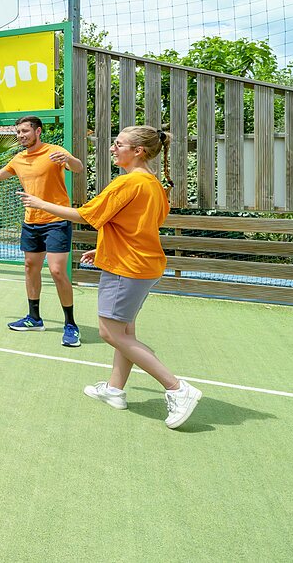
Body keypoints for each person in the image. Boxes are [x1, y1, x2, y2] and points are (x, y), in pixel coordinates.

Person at [20, 126, 202, 429]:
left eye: (118, 144)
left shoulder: (128, 183)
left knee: (110, 333)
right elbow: (136, 225)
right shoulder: (153, 184)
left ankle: (177, 388)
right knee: (125, 332)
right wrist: (102, 250)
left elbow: (86, 215)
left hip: (127, 268)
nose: (112, 148)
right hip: (142, 265)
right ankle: (114, 390)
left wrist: (40, 204)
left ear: (138, 151)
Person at [0, 115, 84, 347]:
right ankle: (34, 318)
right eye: (18, 132)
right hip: (31, 222)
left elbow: (78, 168)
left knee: (57, 271)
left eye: (25, 131)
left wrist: (70, 158)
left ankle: (70, 324)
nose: (21, 136)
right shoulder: (19, 158)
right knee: (30, 267)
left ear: (38, 131)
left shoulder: (54, 151)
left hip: (57, 220)